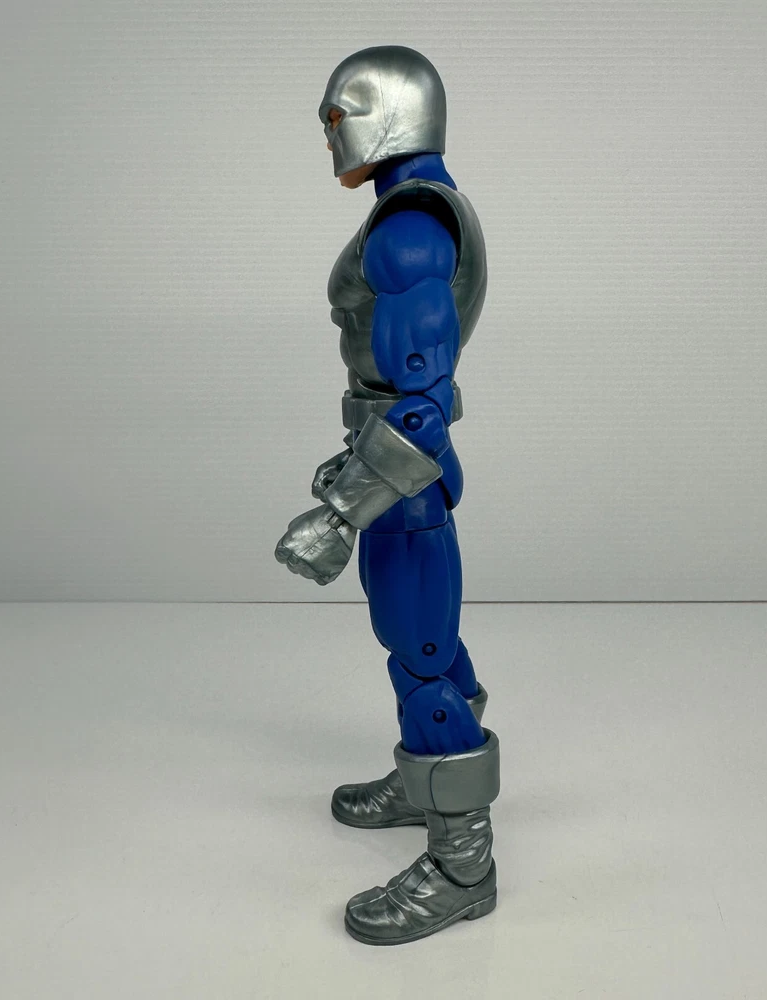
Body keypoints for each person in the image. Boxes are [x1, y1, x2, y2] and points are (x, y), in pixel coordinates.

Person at [274, 45, 499, 945]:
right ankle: (423, 784)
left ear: (384, 112)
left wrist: (337, 515)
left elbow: (422, 408)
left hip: (401, 482)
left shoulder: (409, 232)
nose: (329, 135)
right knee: (422, 640)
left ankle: (462, 864)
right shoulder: (412, 213)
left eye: (336, 116)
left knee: (422, 656)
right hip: (387, 473)